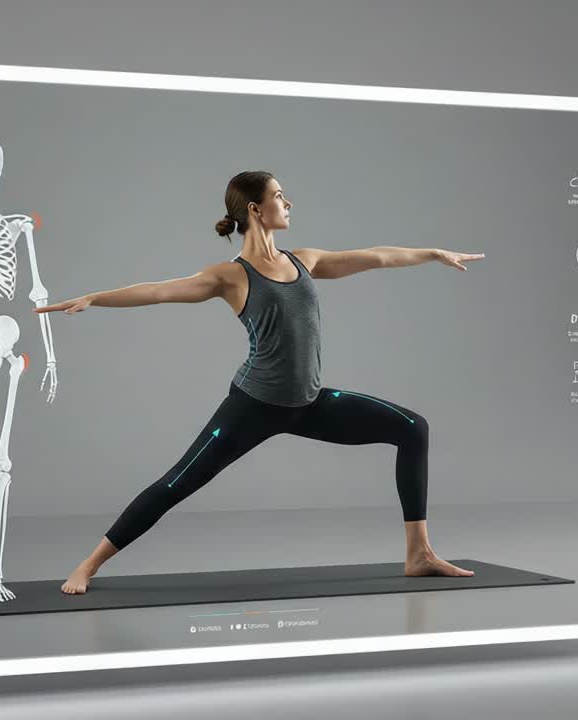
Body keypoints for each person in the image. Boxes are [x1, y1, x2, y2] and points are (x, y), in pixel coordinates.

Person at [34, 171, 485, 594]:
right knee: (177, 483)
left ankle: (419, 554)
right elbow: (156, 290)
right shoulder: (230, 276)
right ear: (254, 209)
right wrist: (94, 299)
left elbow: (377, 256)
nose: (288, 202)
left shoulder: (303, 261)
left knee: (412, 428)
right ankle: (88, 564)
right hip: (252, 406)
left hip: (308, 404)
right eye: (278, 196)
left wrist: (432, 253)